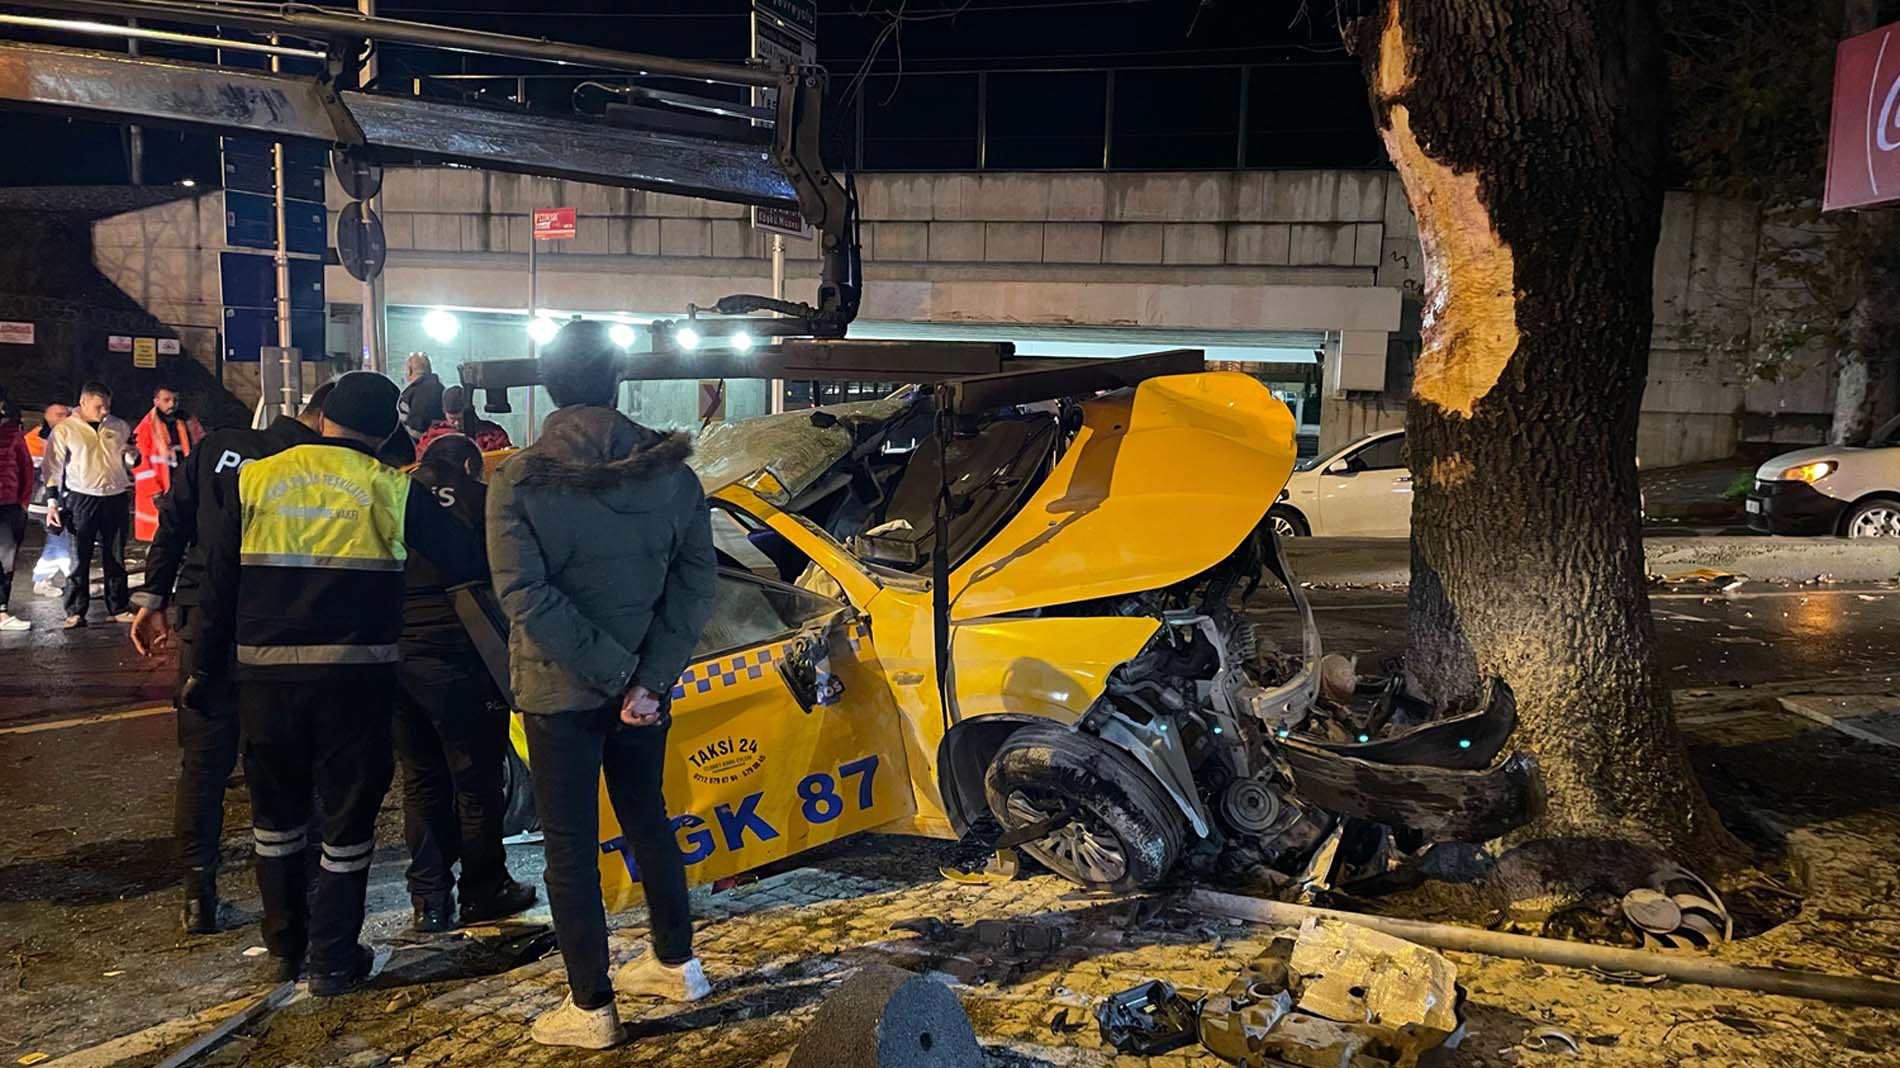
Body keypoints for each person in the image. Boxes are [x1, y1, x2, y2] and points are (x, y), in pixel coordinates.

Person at [198, 371, 481, 996]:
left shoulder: (255, 476)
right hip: (355, 682)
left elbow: (219, 583)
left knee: (276, 819)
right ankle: (332, 958)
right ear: (387, 434)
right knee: (347, 823)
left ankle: (284, 946)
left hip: (265, 680)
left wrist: (204, 670)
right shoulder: (387, 487)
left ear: (321, 417)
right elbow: (464, 557)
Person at [487, 320, 718, 1049]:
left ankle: (591, 1008)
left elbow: (523, 595)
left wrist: (616, 677)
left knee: (569, 846)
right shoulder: (674, 477)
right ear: (618, 380)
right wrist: (645, 680)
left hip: (559, 694)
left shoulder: (518, 481)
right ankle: (677, 964)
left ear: (548, 383)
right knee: (648, 818)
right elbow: (696, 588)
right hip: (644, 692)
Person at [130, 382, 334, 934]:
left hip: (201, 616)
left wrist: (153, 600)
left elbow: (173, 521)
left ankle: (198, 897)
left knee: (203, 763)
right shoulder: (311, 463)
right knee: (287, 759)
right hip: (276, 622)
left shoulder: (218, 443)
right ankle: (299, 891)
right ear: (323, 421)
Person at [396, 432, 536, 934]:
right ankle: (484, 887)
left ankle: (429, 898)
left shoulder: (395, 494)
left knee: (422, 781)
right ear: (472, 467)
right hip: (465, 656)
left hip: (401, 657)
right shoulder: (485, 499)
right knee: (476, 782)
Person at [42, 382, 135, 628]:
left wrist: (132, 457)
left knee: (115, 554)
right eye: (98, 407)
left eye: (107, 406)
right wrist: (53, 502)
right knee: (79, 556)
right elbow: (52, 466)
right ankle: (75, 611)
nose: (103, 411)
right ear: (83, 402)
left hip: (114, 495)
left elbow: (131, 458)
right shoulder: (66, 430)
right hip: (81, 497)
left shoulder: (119, 426)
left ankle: (118, 606)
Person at [132, 384, 205, 542]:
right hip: (159, 488)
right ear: (156, 401)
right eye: (167, 400)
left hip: (184, 484)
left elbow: (201, 449)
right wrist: (154, 491)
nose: (172, 404)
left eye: (175, 400)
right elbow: (140, 464)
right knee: (160, 537)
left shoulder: (189, 422)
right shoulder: (145, 428)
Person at [27, 404, 74, 598]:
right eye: (59, 415)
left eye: (67, 415)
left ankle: (44, 579)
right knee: (60, 539)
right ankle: (73, 579)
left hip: (56, 498)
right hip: (42, 500)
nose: (65, 418)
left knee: (58, 539)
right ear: (46, 416)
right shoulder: (34, 441)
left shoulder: (63, 437)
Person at [0, 389, 33, 631]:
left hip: (8, 506)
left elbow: (26, 468)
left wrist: (23, 502)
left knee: (4, 560)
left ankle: (1, 611)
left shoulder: (13, 432)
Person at [416, 385, 512, 456]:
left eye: (461, 419)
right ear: (444, 412)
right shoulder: (433, 436)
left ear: (471, 411)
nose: (457, 423)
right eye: (452, 419)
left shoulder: (493, 434)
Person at [398, 352, 445, 446]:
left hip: (420, 449)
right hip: (442, 444)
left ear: (409, 371)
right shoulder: (441, 389)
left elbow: (415, 429)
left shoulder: (411, 394)